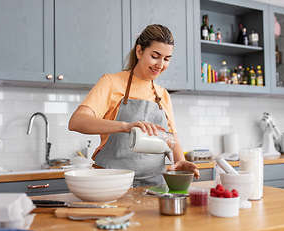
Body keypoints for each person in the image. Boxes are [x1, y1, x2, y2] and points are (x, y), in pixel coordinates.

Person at [69, 24, 200, 187]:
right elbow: (76, 121)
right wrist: (125, 126)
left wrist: (180, 160)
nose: (160, 65)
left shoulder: (162, 95)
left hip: (154, 184)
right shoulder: (111, 82)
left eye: (166, 59)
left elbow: (172, 140)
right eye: (155, 56)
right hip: (112, 181)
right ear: (139, 51)